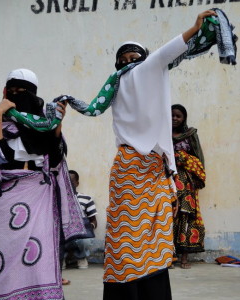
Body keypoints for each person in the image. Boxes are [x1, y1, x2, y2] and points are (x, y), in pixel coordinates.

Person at [52, 9, 223, 300]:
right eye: (123, 59)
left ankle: (148, 293)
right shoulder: (122, 81)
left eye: (134, 58)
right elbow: (94, 107)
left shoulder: (143, 73)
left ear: (144, 59)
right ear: (117, 64)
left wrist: (194, 29)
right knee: (125, 240)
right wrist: (194, 29)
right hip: (130, 168)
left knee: (154, 238)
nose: (129, 63)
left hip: (154, 167)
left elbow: (94, 106)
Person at [0, 69, 85, 299]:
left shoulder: (44, 120)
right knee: (3, 250)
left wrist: (58, 126)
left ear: (33, 93)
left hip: (39, 197)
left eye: (21, 91)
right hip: (4, 197)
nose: (15, 95)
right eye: (11, 91)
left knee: (37, 256)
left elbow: (54, 160)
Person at [172, 104, 206, 269]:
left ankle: (184, 258)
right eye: (172, 115)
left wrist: (182, 158)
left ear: (184, 118)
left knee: (186, 217)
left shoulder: (190, 135)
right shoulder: (162, 134)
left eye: (178, 116)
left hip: (186, 183)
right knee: (167, 218)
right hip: (167, 181)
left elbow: (198, 158)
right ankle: (168, 258)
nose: (175, 119)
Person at [64, 170, 98, 269]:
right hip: (65, 233)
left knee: (85, 241)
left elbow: (94, 221)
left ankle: (81, 257)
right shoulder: (58, 199)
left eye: (72, 182)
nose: (69, 185)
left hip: (81, 233)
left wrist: (88, 227)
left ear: (77, 183)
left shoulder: (86, 198)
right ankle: (62, 259)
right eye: (66, 182)